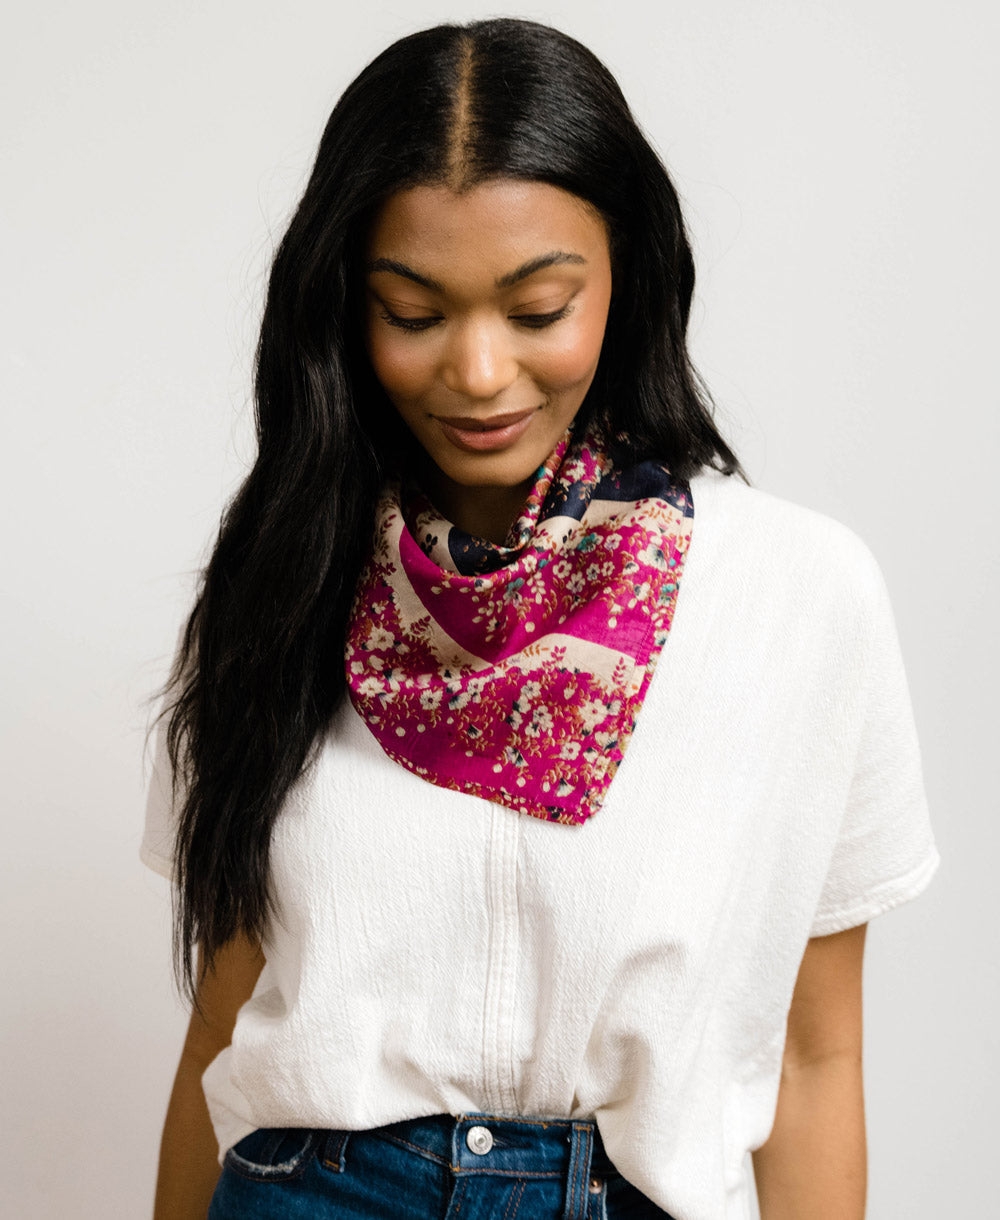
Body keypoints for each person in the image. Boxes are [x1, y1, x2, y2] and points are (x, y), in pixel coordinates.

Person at [142, 17, 938, 1220]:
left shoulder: (799, 595)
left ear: (627, 276)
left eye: (537, 306)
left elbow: (812, 1057)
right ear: (344, 310)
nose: (475, 370)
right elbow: (222, 1022)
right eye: (413, 311)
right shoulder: (280, 578)